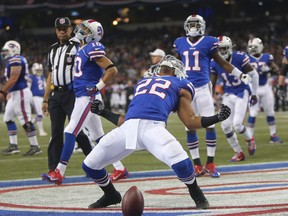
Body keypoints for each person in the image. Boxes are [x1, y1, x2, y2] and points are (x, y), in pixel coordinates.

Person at [83, 55, 231, 209]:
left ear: (173, 71)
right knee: (90, 165)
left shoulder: (176, 84)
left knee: (182, 163)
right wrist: (104, 112)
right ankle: (111, 194)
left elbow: (190, 121)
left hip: (153, 127)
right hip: (130, 127)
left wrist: (216, 117)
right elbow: (129, 119)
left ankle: (196, 193)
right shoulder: (149, 82)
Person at [42, 19, 128, 185]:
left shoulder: (92, 47)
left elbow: (112, 69)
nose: (81, 31)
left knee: (70, 131)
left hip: (87, 97)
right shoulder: (82, 47)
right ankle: (120, 168)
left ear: (94, 35)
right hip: (83, 95)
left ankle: (59, 171)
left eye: (86, 30)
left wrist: (98, 86)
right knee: (97, 136)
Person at [173, 14, 252, 177]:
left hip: (202, 88)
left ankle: (210, 163)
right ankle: (196, 165)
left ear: (202, 26)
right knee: (189, 127)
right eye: (191, 24)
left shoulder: (209, 41)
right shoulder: (179, 42)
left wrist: (240, 74)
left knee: (210, 124)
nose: (194, 27)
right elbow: (175, 65)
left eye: (196, 24)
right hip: (186, 89)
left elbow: (223, 63)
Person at [41, 17, 93, 179]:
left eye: (65, 28)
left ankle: (94, 163)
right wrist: (45, 98)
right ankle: (53, 170)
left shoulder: (78, 46)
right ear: (56, 31)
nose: (62, 31)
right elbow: (51, 74)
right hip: (56, 94)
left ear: (71, 29)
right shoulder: (53, 49)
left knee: (78, 132)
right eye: (59, 29)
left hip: (72, 93)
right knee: (56, 132)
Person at [210, 36, 259, 162]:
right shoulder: (214, 62)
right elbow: (212, 82)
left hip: (241, 92)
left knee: (237, 125)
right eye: (219, 49)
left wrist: (254, 94)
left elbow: (254, 75)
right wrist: (210, 98)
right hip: (228, 94)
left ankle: (250, 139)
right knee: (225, 125)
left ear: (230, 48)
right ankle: (238, 152)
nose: (221, 52)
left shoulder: (239, 57)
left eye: (224, 48)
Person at [0, 40, 42, 156]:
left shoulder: (16, 59)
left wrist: (2, 91)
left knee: (25, 120)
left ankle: (35, 146)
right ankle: (14, 146)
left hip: (21, 92)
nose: (4, 53)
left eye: (6, 50)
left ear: (14, 49)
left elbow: (14, 78)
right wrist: (8, 92)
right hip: (15, 93)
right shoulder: (13, 60)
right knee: (8, 118)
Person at [246, 37, 283, 144]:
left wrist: (270, 69)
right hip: (253, 88)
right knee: (253, 113)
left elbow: (277, 70)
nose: (252, 49)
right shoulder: (246, 58)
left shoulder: (267, 57)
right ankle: (250, 137)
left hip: (266, 87)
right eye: (251, 47)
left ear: (260, 47)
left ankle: (273, 135)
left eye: (255, 47)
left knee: (270, 112)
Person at [27, 63, 48, 136]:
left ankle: (30, 124)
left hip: (41, 97)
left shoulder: (42, 77)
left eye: (40, 70)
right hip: (34, 97)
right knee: (40, 114)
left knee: (41, 114)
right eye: (37, 70)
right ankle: (41, 131)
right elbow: (28, 88)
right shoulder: (31, 77)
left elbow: (45, 87)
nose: (39, 71)